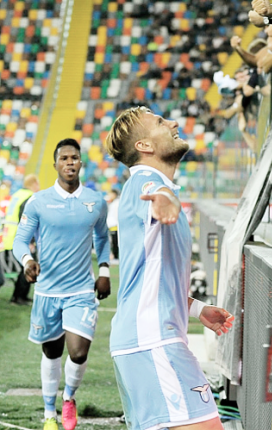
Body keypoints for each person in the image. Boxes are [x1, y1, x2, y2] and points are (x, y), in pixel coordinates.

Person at [105, 106, 234, 430]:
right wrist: (167, 198)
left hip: (148, 340)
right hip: (154, 342)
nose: (174, 123)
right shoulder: (146, 183)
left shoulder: (148, 186)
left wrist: (197, 309)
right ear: (144, 146)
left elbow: (152, 279)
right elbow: (155, 194)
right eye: (162, 122)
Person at [13, 138, 111, 430]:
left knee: (79, 352)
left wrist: (103, 269)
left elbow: (103, 238)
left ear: (81, 162)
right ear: (55, 164)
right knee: (52, 352)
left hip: (80, 290)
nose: (70, 162)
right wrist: (28, 262)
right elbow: (20, 240)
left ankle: (68, 399)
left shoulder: (95, 202)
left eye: (75, 158)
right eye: (64, 158)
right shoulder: (39, 201)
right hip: (46, 291)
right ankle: (48, 413)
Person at [3, 173, 40, 305]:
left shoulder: (17, 194)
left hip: (9, 236)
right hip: (20, 239)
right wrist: (29, 241)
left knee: (21, 269)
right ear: (34, 184)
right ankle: (19, 297)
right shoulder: (28, 197)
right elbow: (25, 219)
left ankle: (18, 296)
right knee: (28, 266)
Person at [105, 189, 120, 262]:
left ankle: (116, 257)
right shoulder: (111, 202)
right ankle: (113, 256)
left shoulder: (117, 203)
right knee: (112, 242)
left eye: (111, 194)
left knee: (115, 242)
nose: (109, 196)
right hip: (110, 225)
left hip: (115, 225)